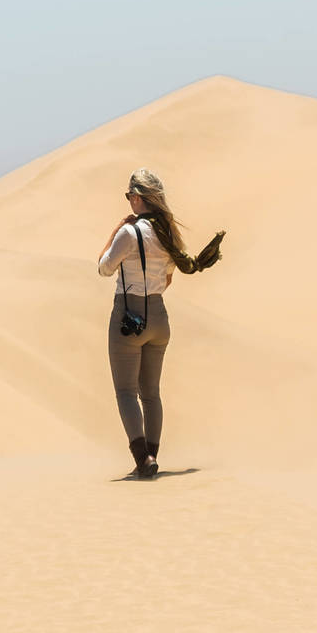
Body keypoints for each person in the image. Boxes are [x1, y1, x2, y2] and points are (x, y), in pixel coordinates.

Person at [96, 168, 225, 479]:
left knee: (126, 391)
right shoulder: (166, 233)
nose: (129, 202)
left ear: (138, 198)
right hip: (159, 316)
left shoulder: (130, 232)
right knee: (151, 393)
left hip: (129, 317)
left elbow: (103, 268)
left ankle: (143, 461)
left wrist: (117, 229)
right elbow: (168, 278)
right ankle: (153, 454)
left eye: (129, 197)